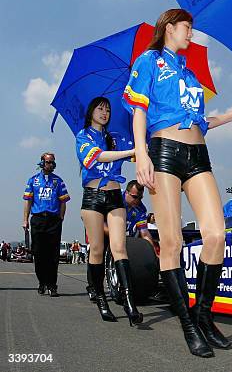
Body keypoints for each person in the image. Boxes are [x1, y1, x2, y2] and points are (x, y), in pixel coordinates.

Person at [123, 9, 232, 358]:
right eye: (187, 27)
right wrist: (142, 154)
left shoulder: (190, 74)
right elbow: (138, 110)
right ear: (169, 28)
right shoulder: (148, 60)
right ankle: (188, 326)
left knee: (216, 235)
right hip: (163, 152)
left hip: (198, 155)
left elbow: (202, 121)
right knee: (173, 240)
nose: (191, 33)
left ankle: (204, 317)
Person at [77, 96, 142, 325]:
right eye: (100, 109)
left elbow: (137, 154)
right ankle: (101, 299)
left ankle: (129, 301)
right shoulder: (83, 136)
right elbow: (94, 158)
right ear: (91, 111)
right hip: (93, 197)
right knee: (96, 249)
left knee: (119, 247)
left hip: (115, 196)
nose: (104, 113)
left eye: (107, 110)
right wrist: (128, 152)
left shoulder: (116, 137)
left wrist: (138, 128)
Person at [22, 152, 70, 296]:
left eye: (52, 162)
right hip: (37, 220)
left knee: (53, 255)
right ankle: (42, 283)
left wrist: (60, 217)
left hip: (53, 221)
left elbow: (63, 201)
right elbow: (28, 201)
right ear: (42, 163)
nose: (50, 164)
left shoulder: (58, 181)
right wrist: (25, 219)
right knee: (39, 253)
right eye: (48, 162)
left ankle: (52, 285)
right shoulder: (33, 181)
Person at [124, 180, 155, 248]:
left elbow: (145, 234)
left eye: (140, 198)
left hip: (127, 241)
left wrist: (153, 254)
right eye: (134, 197)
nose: (137, 201)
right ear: (126, 192)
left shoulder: (141, 209)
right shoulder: (115, 199)